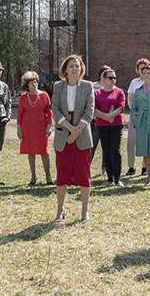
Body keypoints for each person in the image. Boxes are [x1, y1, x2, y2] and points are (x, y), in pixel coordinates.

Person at [52, 54, 95, 225]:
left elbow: (90, 110)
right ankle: (60, 211)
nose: (75, 69)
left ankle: (84, 212)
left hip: (82, 136)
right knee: (62, 176)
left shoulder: (88, 86)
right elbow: (55, 110)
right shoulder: (57, 86)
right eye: (71, 66)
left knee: (84, 175)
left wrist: (77, 132)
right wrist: (70, 130)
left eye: (77, 66)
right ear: (65, 69)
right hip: (63, 136)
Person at [17, 71, 53, 186]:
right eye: (31, 83)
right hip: (28, 128)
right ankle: (33, 176)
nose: (34, 84)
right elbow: (20, 115)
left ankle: (48, 176)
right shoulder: (23, 97)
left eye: (35, 82)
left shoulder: (44, 95)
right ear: (27, 85)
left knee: (44, 151)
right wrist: (19, 128)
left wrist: (49, 126)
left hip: (42, 128)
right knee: (30, 151)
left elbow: (49, 112)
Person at [94, 68, 126, 186]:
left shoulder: (119, 92)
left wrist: (111, 115)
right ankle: (109, 179)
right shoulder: (97, 93)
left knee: (115, 151)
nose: (113, 80)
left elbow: (121, 107)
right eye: (110, 78)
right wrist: (106, 117)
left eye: (114, 78)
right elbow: (94, 109)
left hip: (116, 126)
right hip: (102, 126)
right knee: (106, 151)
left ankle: (117, 179)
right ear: (104, 79)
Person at [126, 58, 150, 176]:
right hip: (135, 116)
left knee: (146, 141)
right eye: (140, 68)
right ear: (137, 70)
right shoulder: (134, 82)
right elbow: (130, 98)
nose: (142, 70)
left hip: (148, 116)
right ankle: (131, 166)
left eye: (144, 67)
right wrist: (134, 112)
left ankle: (145, 167)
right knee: (131, 142)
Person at [91, 65, 111, 172]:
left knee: (106, 146)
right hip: (95, 121)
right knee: (92, 145)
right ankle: (85, 167)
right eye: (105, 73)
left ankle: (105, 167)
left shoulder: (112, 87)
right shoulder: (93, 86)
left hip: (108, 121)